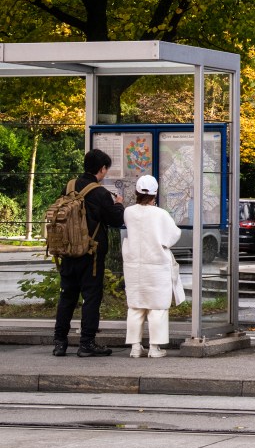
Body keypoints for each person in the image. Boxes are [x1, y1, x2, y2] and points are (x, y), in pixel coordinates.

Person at [53, 148, 125, 357]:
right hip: (90, 255)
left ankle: (59, 343)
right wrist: (118, 205)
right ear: (102, 169)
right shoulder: (100, 193)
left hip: (66, 251)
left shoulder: (69, 186)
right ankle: (87, 343)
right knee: (91, 297)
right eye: (106, 170)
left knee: (67, 297)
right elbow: (115, 220)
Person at [121, 175, 181, 358]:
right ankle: (155, 348)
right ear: (155, 193)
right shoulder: (160, 214)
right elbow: (173, 235)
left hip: (134, 265)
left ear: (136, 192)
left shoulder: (128, 212)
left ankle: (135, 347)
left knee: (136, 306)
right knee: (158, 307)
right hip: (156, 265)